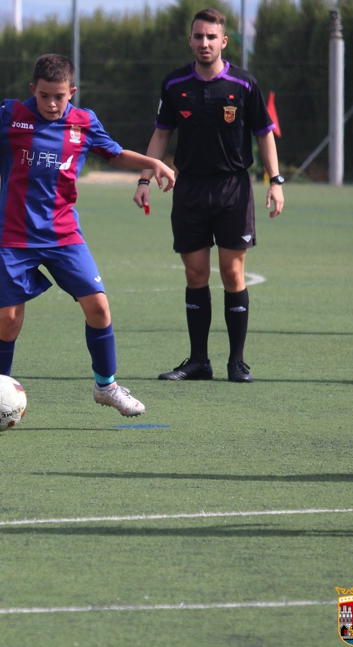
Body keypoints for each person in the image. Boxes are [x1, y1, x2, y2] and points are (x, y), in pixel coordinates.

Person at [0, 53, 175, 417]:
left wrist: (153, 163)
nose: (52, 104)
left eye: (60, 96)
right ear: (32, 90)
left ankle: (107, 386)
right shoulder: (11, 115)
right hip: (15, 236)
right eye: (44, 96)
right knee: (8, 320)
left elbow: (115, 155)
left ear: (72, 91)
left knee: (98, 307)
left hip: (64, 234)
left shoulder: (85, 122)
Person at [134, 7, 284, 384]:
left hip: (233, 187)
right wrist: (145, 177)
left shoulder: (244, 84)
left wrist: (276, 180)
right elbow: (162, 133)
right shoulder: (174, 84)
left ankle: (237, 362)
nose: (204, 43)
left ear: (224, 41)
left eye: (211, 37)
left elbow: (264, 133)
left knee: (233, 273)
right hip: (189, 189)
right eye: (198, 36)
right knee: (195, 272)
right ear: (190, 40)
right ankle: (198, 361)